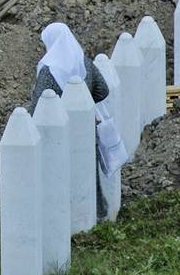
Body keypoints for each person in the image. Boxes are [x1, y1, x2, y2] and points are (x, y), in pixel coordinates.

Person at [28, 22, 110, 218]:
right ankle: (97, 215)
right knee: (88, 174)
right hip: (86, 131)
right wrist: (85, 103)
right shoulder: (84, 63)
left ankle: (65, 218)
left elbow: (39, 104)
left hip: (57, 133)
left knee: (58, 175)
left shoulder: (49, 70)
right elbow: (103, 90)